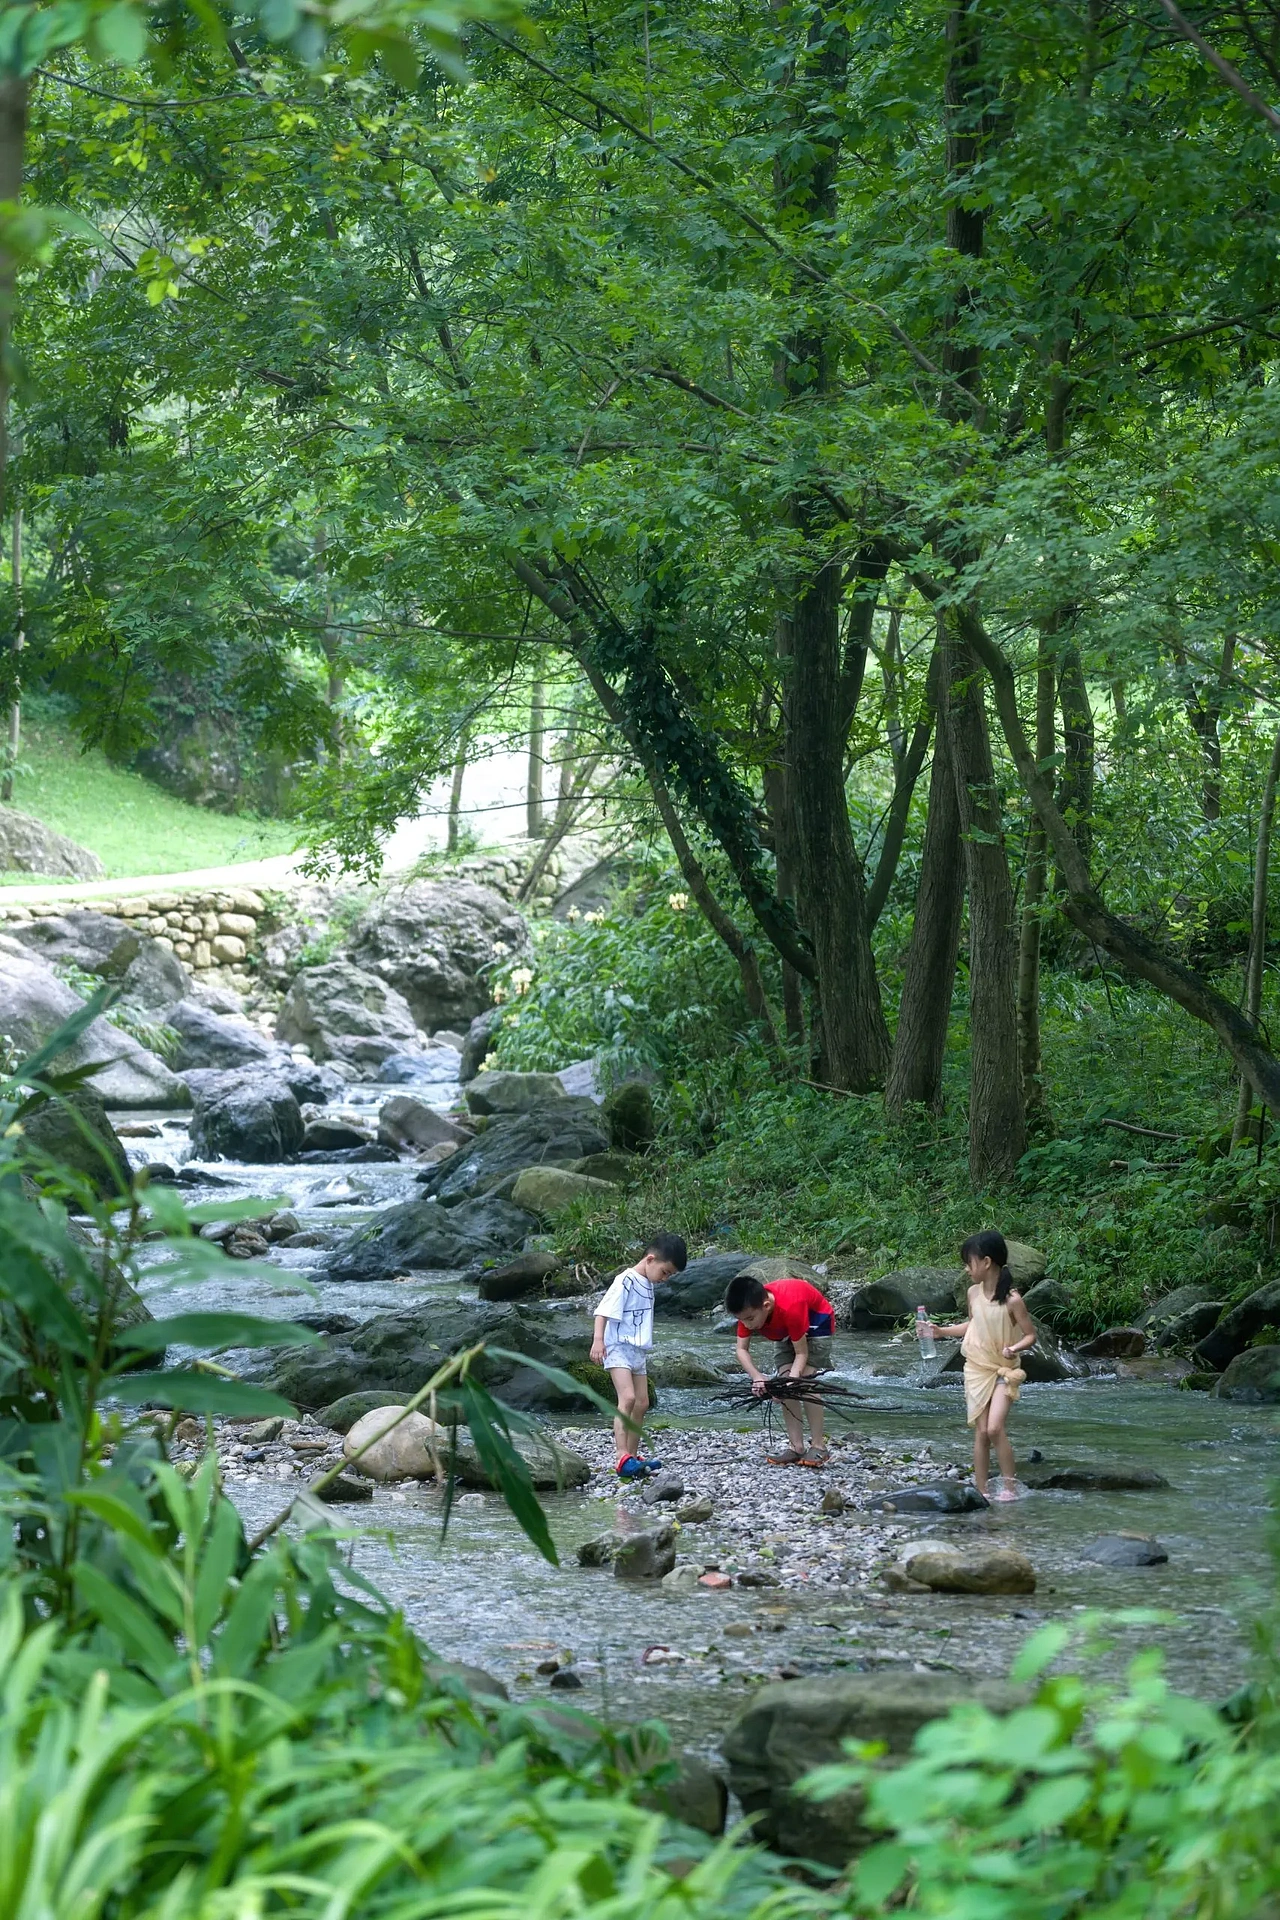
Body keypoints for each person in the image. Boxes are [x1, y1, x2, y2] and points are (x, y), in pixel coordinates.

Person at [924, 1229, 1037, 1502]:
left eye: (969, 1262)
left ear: (986, 1262)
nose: (966, 1268)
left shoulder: (1012, 1300)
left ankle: (1010, 1489)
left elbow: (1030, 1335)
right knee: (981, 1432)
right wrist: (941, 1332)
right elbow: (972, 1326)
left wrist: (1014, 1348)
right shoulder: (973, 1292)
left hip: (1003, 1371)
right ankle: (983, 1489)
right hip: (976, 1368)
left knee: (995, 1428)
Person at [590, 1231, 688, 1479]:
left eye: (670, 1275)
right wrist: (598, 1341)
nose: (665, 1278)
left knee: (642, 1402)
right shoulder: (626, 1280)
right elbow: (602, 1311)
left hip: (637, 1350)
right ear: (650, 1259)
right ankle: (621, 1456)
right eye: (665, 1272)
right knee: (628, 1398)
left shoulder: (648, 1283)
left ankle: (633, 1456)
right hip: (618, 1347)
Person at [724, 1272, 836, 1467]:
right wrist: (757, 1377)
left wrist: (794, 1380)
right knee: (783, 1385)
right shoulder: (749, 1312)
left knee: (806, 1382)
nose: (747, 1325)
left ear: (766, 1306)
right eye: (742, 1320)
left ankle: (819, 1446)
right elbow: (741, 1350)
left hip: (816, 1324)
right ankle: (796, 1447)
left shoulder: (789, 1307)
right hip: (784, 1333)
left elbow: (801, 1354)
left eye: (750, 1319)